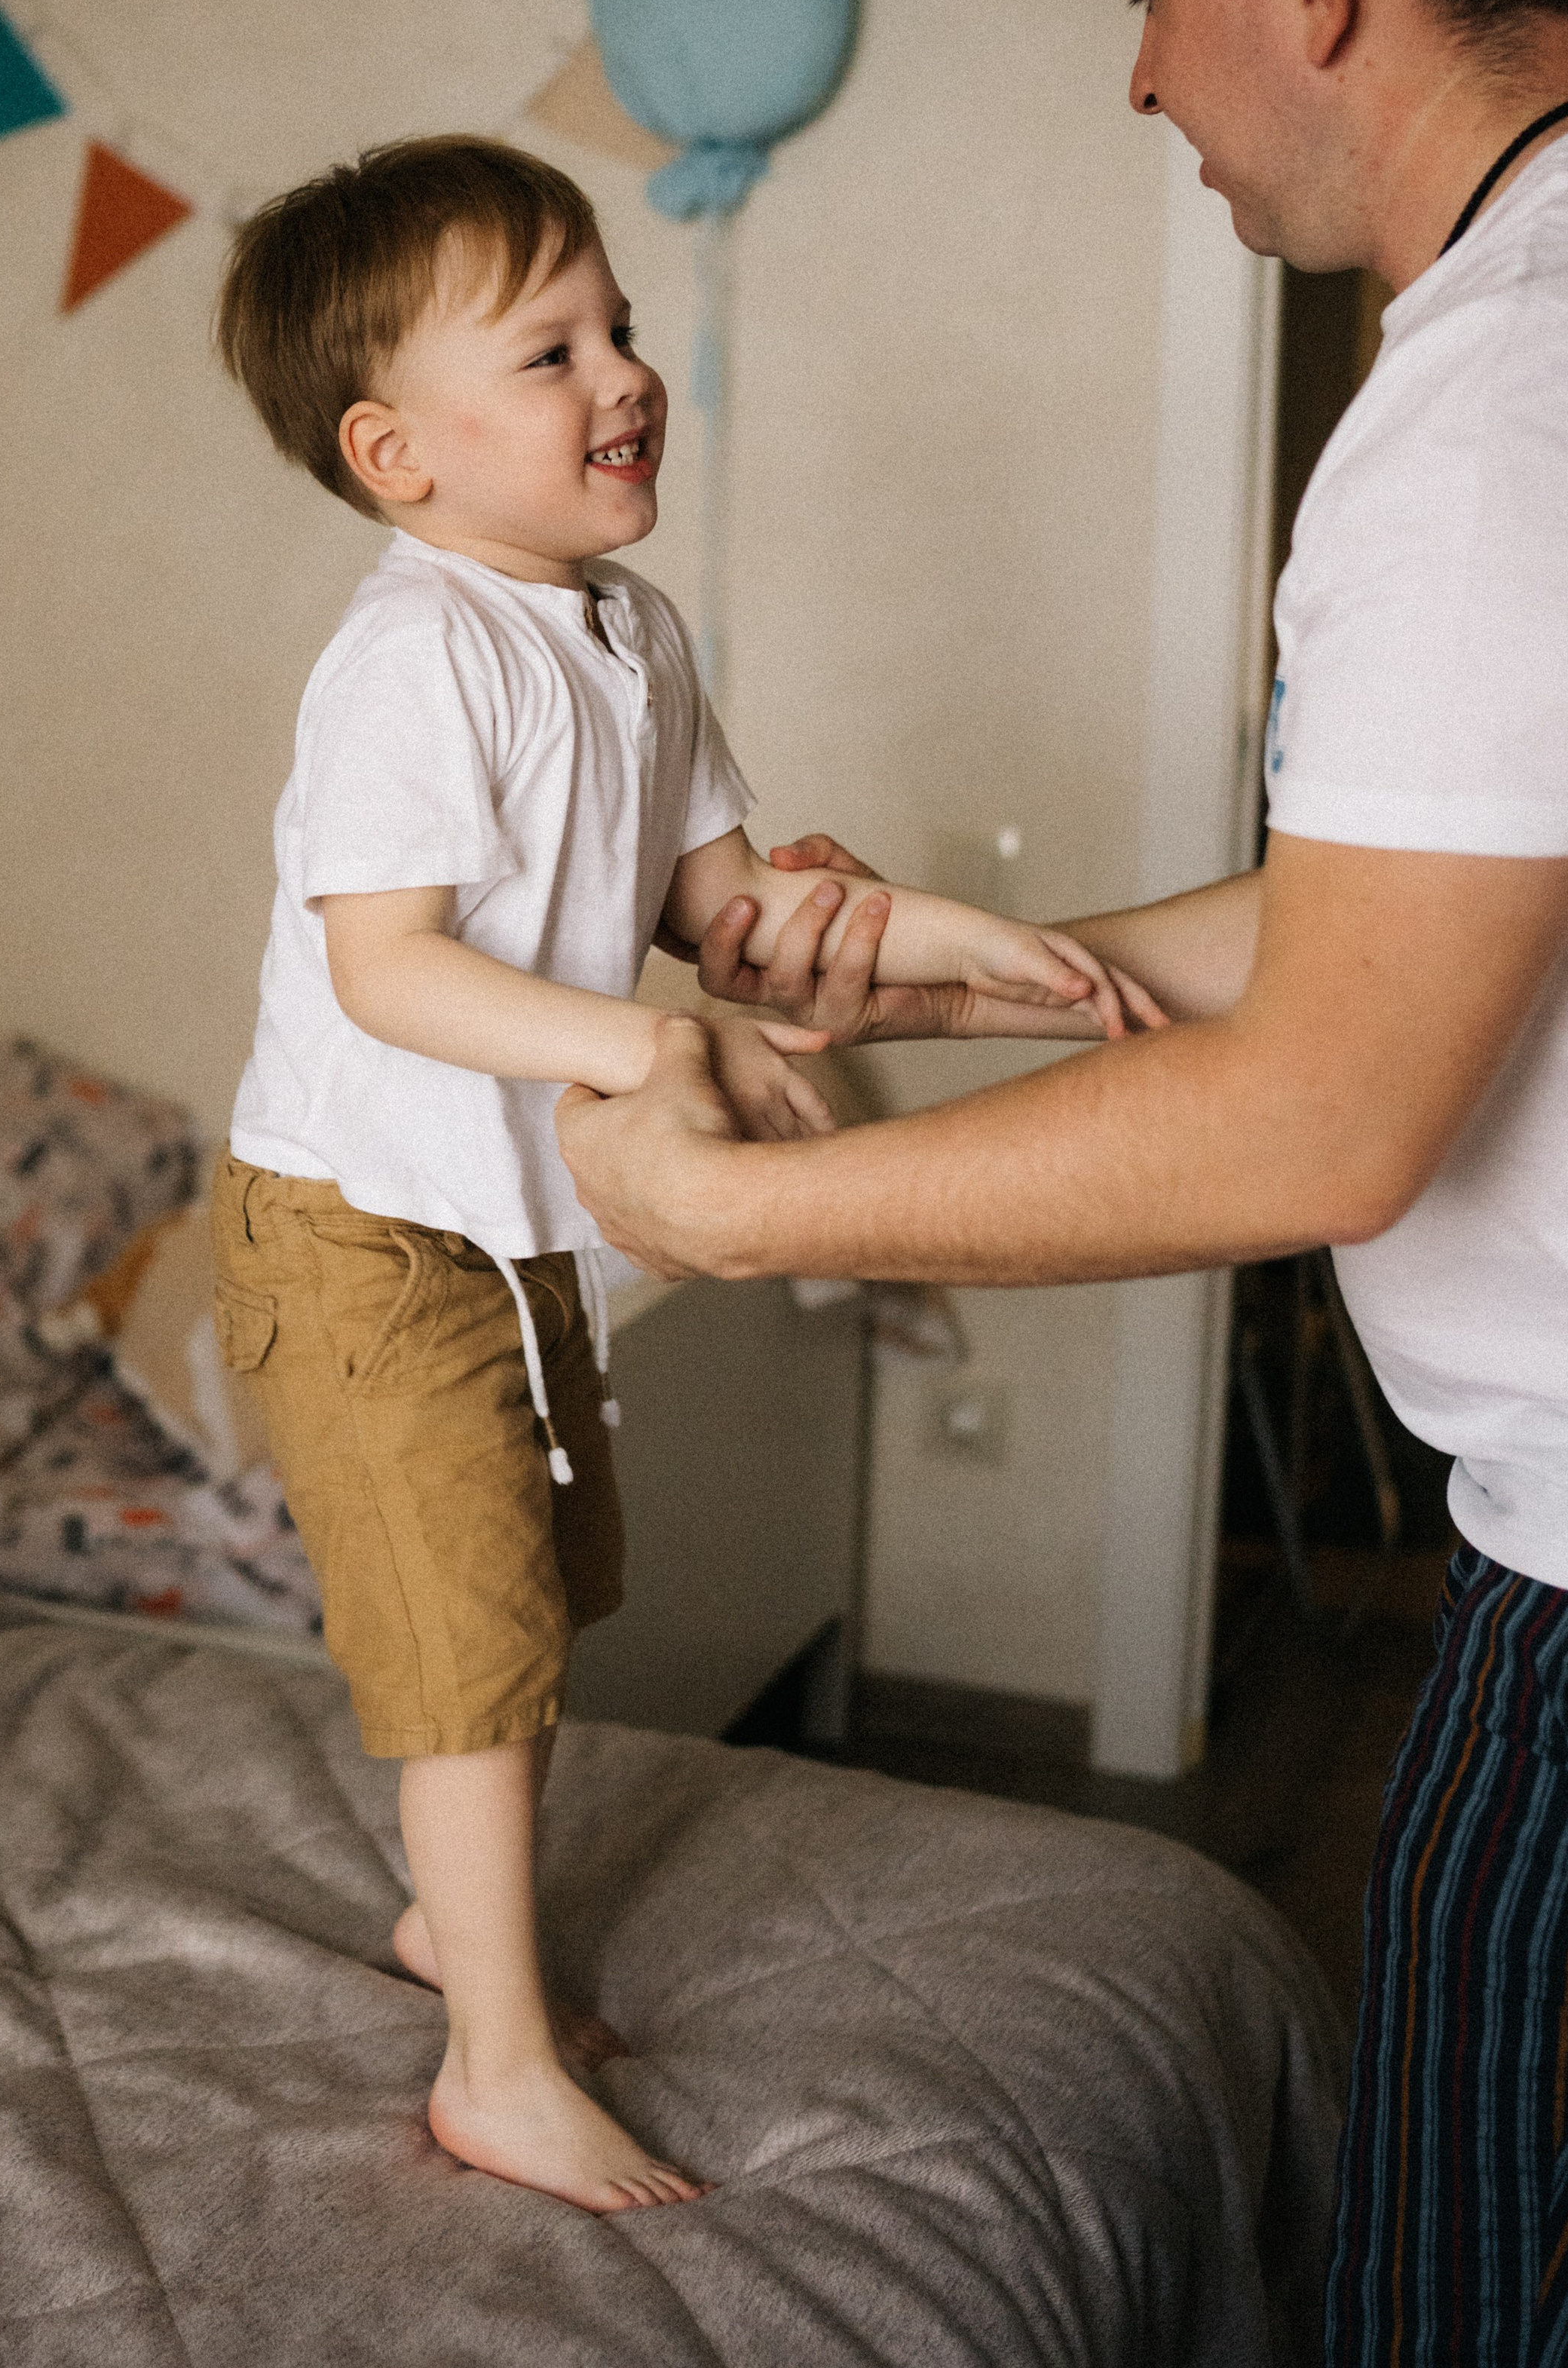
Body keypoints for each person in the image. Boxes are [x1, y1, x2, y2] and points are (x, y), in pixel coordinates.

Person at [557, 0, 1568, 2357]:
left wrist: (738, 1212)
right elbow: (1417, 905)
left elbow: (1326, 1114)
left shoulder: (1510, 396)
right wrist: (964, 971)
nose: (1142, 74)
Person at [208, 134, 1153, 2216]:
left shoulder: (627, 630)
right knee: (467, 1641)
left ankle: (453, 1922)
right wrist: (637, 1047)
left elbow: (729, 920)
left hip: (503, 1216)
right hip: (363, 1232)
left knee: (531, 1596)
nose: (622, 373)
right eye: (548, 351)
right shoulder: (418, 654)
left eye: (617, 325)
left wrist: (976, 946)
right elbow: (387, 968)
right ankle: (496, 2062)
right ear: (396, 453)